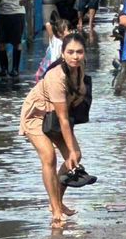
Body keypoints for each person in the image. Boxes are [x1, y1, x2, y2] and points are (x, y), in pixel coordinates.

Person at [19, 33, 90, 228]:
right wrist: (70, 145)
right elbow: (63, 118)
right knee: (49, 156)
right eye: (70, 52)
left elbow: (69, 112)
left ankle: (57, 201)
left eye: (79, 52)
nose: (75, 56)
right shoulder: (56, 76)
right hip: (36, 114)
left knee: (74, 157)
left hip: (56, 117)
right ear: (63, 53)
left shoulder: (80, 69)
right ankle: (56, 209)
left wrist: (72, 151)